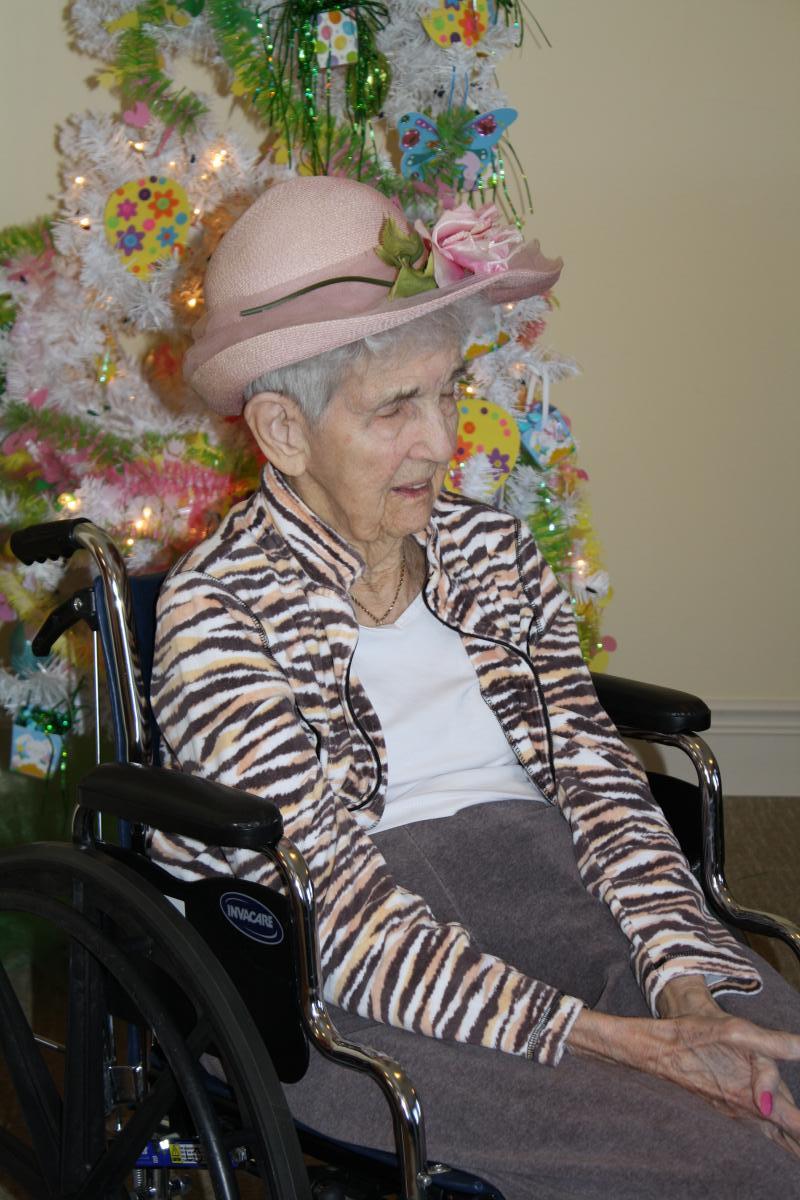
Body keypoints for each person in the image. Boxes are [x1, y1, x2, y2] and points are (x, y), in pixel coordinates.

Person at [151, 176, 800, 1198]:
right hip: (352, 979)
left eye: (446, 392)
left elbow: (599, 786)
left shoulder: (493, 552)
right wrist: (616, 1041)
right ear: (283, 430)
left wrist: (682, 988)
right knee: (727, 1165)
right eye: (395, 407)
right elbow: (336, 911)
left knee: (776, 1070)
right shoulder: (216, 610)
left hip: (561, 885)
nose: (443, 442)